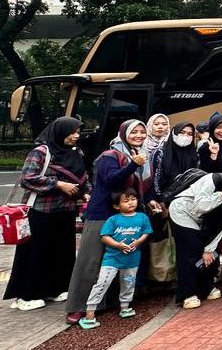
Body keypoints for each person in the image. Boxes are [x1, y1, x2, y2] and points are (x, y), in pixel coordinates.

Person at [66, 120, 150, 325]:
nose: (139, 135)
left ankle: (106, 302)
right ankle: (78, 306)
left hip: (125, 214)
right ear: (123, 133)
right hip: (102, 213)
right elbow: (111, 180)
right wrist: (133, 164)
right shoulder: (110, 155)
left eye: (142, 132)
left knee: (117, 259)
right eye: (134, 132)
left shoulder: (140, 155)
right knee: (91, 260)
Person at [5, 117, 89, 311]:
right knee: (36, 253)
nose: (76, 136)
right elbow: (27, 178)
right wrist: (58, 184)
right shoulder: (42, 151)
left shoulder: (76, 152)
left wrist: (86, 192)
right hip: (41, 211)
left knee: (62, 252)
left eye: (78, 132)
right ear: (60, 132)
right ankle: (26, 295)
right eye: (71, 132)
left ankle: (55, 289)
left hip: (66, 210)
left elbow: (83, 177)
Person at [168, 162, 222, 308]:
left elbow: (220, 221)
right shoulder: (214, 179)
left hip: (202, 220)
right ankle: (187, 294)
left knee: (212, 254)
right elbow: (200, 205)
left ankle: (206, 288)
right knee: (191, 252)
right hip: (183, 212)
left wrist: (209, 249)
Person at [78, 188, 153, 329]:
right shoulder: (113, 220)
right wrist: (118, 245)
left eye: (133, 199)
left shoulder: (142, 217)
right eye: (126, 201)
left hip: (132, 259)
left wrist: (138, 242)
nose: (131, 203)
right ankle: (90, 312)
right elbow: (104, 236)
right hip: (112, 259)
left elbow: (146, 232)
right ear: (117, 206)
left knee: (128, 283)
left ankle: (125, 306)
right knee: (102, 283)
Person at [158, 122, 200, 196]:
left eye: (190, 134)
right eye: (182, 132)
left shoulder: (194, 154)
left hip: (189, 195)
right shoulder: (162, 152)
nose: (185, 136)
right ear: (174, 133)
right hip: (164, 196)